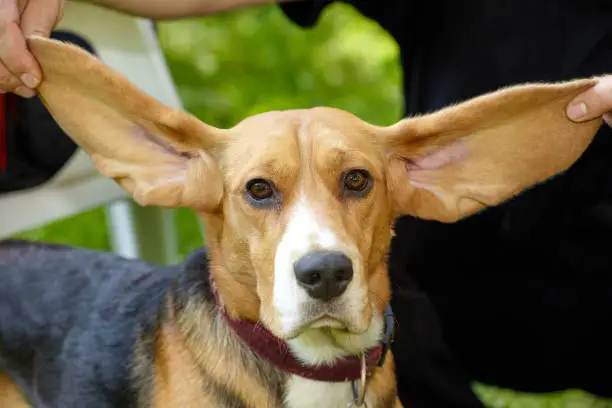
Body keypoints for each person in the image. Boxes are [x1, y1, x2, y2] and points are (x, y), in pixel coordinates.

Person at [2, 1, 612, 406]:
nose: (320, 253)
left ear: (422, 179)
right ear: (173, 173)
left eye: (353, 182)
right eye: (261, 192)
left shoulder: (379, 375)